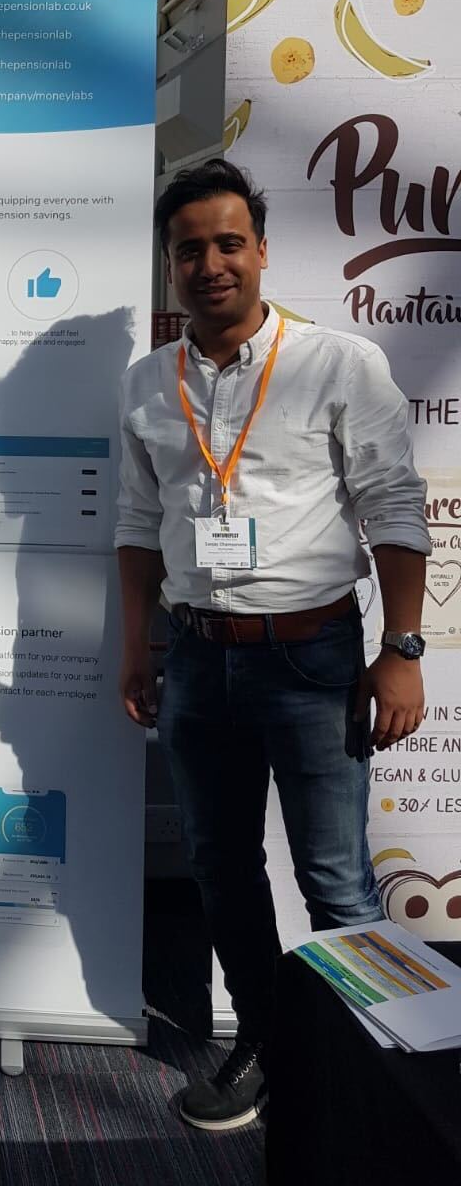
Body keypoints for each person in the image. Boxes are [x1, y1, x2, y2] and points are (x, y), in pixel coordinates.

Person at [116, 159, 428, 1131]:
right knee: (219, 863)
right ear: (169, 265)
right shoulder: (144, 382)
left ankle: (374, 1077)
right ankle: (268, 1041)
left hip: (311, 657)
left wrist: (404, 645)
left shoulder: (338, 363)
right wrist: (140, 645)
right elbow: (136, 524)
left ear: (260, 249)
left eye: (227, 243)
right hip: (197, 657)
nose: (210, 263)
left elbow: (395, 509)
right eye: (189, 250)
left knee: (334, 875)